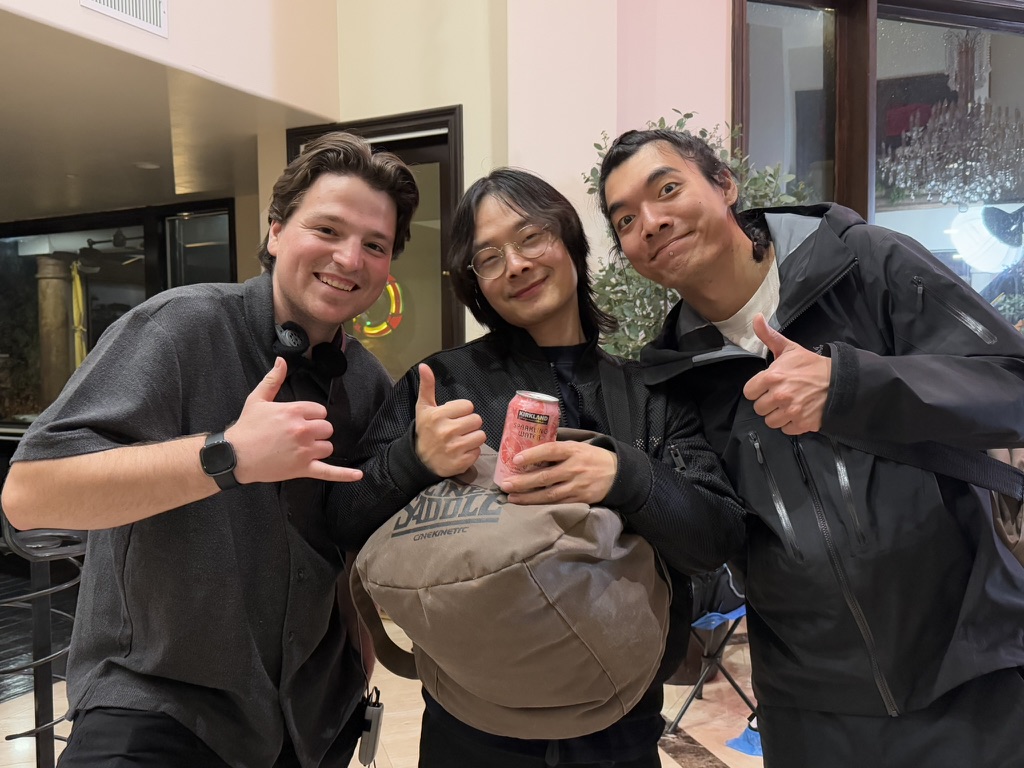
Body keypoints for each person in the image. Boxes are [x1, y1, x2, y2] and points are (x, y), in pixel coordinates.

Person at [597, 128, 1024, 767]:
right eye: (625, 220)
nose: (651, 223)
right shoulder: (671, 377)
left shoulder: (862, 264)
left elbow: (1012, 385)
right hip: (810, 710)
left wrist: (853, 385)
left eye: (667, 189)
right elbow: (712, 535)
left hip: (973, 673)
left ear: (724, 185)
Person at [0, 131, 420, 767]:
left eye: (375, 245)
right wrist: (227, 455)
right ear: (276, 230)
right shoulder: (178, 328)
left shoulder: (366, 384)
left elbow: (349, 543)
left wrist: (357, 659)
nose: (349, 258)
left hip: (309, 728)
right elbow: (29, 495)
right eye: (327, 229)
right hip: (155, 714)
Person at [329, 167, 746, 768]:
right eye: (489, 257)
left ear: (569, 239)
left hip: (622, 726)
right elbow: (343, 517)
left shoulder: (650, 395)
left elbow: (717, 539)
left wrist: (625, 478)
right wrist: (411, 460)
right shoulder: (445, 383)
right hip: (469, 728)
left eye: (531, 237)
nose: (517, 265)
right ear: (475, 283)